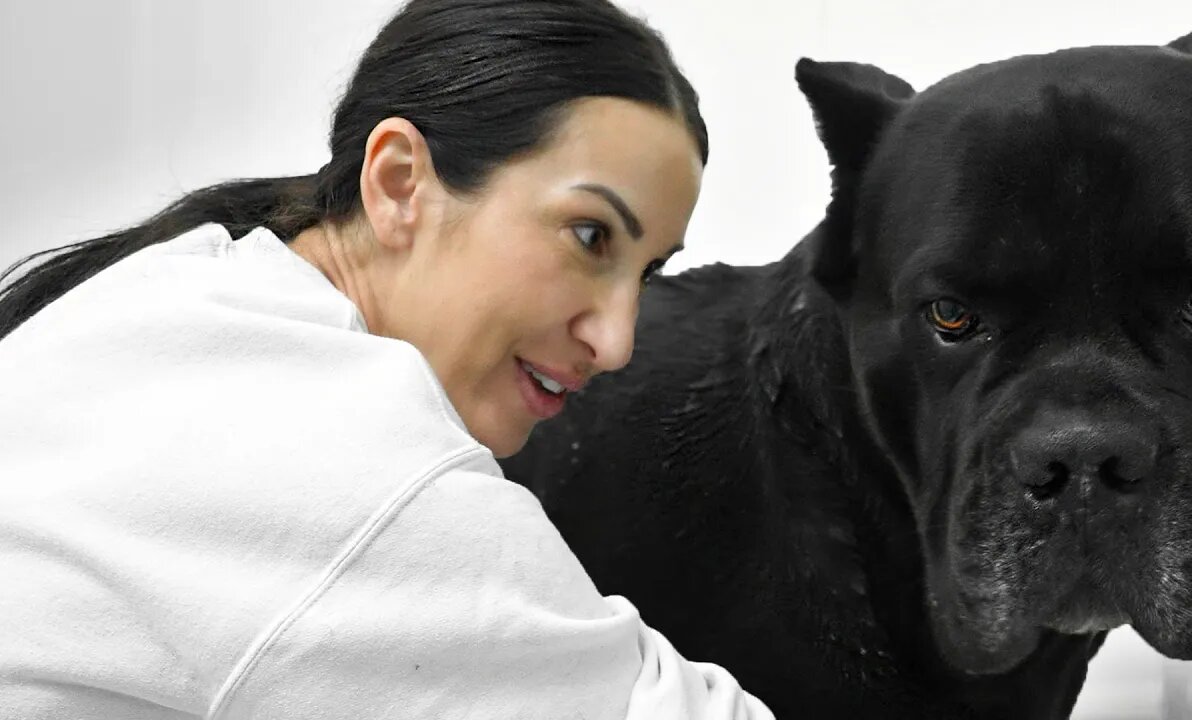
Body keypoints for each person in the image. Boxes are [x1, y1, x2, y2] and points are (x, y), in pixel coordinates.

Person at [0, 1, 777, 718]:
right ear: (399, 181)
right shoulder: (347, 457)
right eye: (589, 235)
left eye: (647, 274)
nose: (617, 343)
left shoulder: (184, 294)